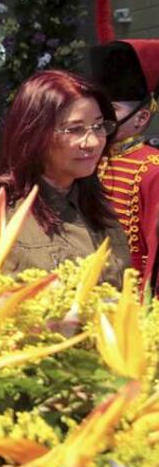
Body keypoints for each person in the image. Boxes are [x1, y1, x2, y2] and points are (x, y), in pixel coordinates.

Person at [0, 70, 129, 293]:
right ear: (35, 134)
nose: (93, 142)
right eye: (74, 129)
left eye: (98, 126)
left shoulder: (97, 211)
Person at [90, 39, 159, 286]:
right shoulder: (88, 159)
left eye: (112, 109)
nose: (100, 117)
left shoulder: (153, 170)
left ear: (141, 118)